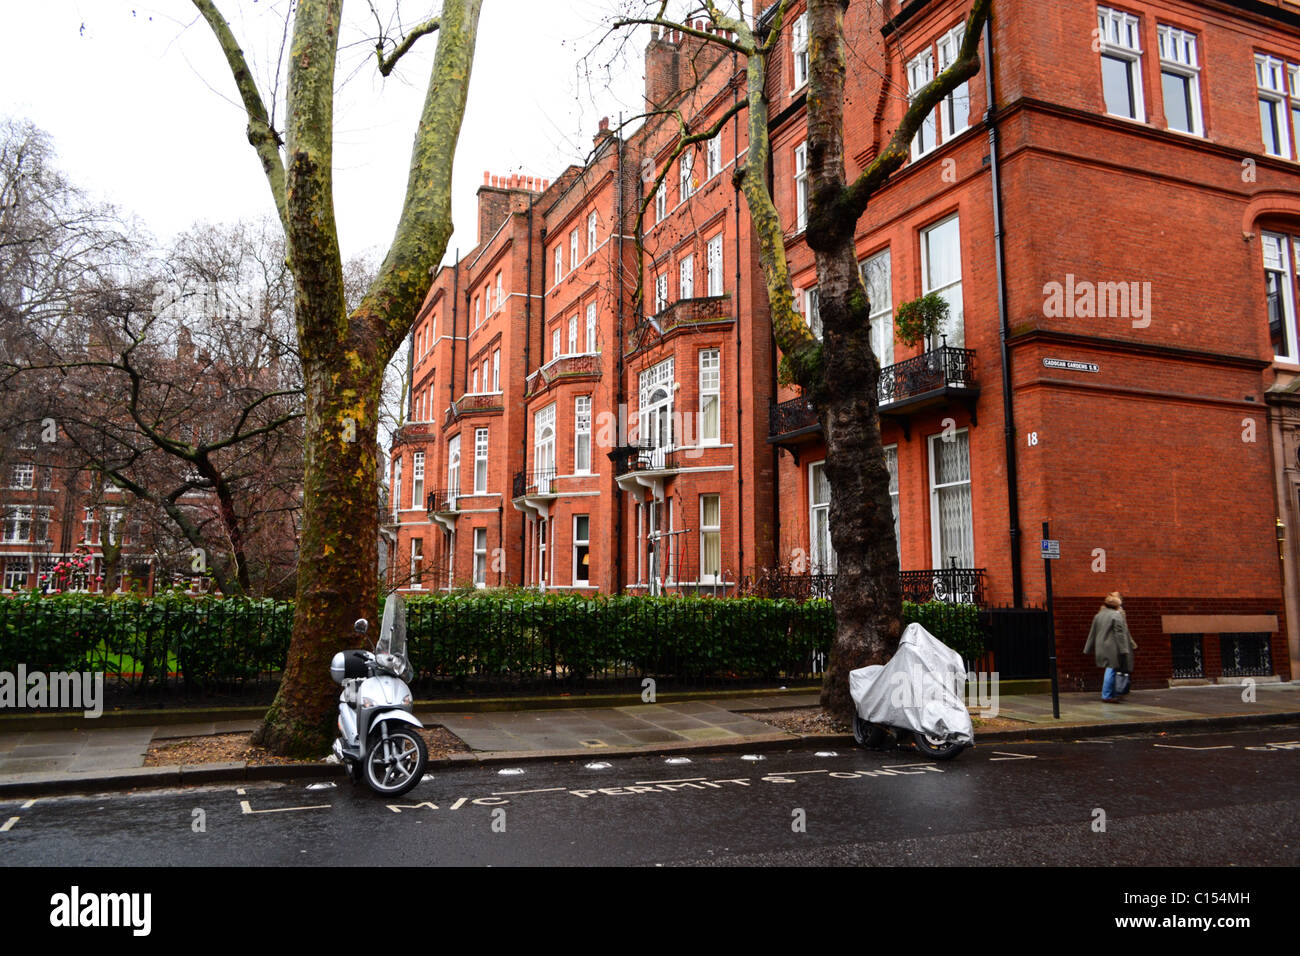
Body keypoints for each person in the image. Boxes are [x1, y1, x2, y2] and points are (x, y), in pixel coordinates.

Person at [1083, 591, 1135, 703]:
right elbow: (1119, 633)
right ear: (1116, 605)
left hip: (1101, 647)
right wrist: (1124, 649)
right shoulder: (1116, 615)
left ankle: (1111, 693)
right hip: (1112, 648)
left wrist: (1088, 648)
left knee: (1111, 669)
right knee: (1111, 669)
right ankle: (1107, 695)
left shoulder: (1098, 615)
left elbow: (1092, 633)